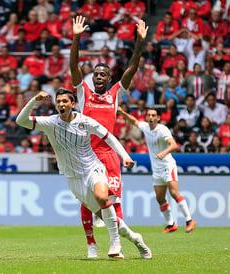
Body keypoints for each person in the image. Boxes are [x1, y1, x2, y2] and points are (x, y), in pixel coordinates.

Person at [16, 89, 152, 259]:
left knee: (103, 197)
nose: (61, 104)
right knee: (109, 219)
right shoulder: (50, 122)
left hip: (93, 168)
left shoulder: (86, 122)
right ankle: (136, 238)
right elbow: (20, 121)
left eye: (65, 101)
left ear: (73, 104)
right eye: (58, 101)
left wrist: (125, 156)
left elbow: (108, 137)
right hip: (74, 178)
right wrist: (34, 101)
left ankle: (114, 241)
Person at [70, 15, 149, 258]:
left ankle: (119, 244)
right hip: (86, 154)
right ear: (92, 78)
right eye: (96, 75)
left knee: (113, 202)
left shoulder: (115, 94)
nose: (99, 77)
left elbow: (132, 67)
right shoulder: (83, 94)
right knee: (87, 202)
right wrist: (76, 38)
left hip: (109, 156)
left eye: (103, 75)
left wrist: (140, 42)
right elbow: (74, 66)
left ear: (109, 78)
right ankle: (91, 244)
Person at [117, 107, 196, 233]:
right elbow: (134, 121)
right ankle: (171, 224)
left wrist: (163, 153)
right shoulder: (145, 127)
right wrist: (122, 113)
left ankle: (189, 220)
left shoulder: (162, 130)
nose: (151, 118)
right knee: (160, 198)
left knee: (174, 193)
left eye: (154, 115)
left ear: (158, 118)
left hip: (167, 165)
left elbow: (174, 145)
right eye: (149, 115)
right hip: (157, 169)